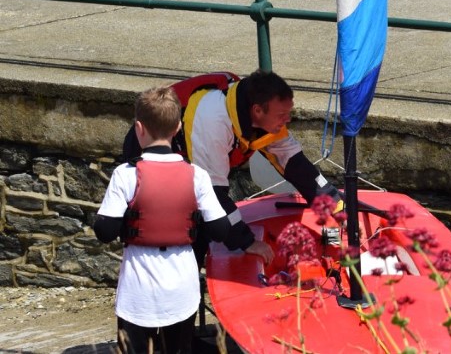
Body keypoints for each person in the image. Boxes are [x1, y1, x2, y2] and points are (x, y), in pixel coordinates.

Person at [122, 69, 339, 263]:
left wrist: (333, 203)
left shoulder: (260, 114)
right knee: (186, 240)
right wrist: (246, 242)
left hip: (195, 164)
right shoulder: (213, 121)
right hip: (153, 161)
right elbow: (211, 194)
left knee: (203, 228)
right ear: (257, 111)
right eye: (282, 115)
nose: (288, 120)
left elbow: (294, 162)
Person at [94, 86, 236, 354]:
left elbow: (104, 230)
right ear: (178, 127)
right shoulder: (197, 175)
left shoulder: (126, 174)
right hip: (182, 287)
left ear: (138, 128)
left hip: (137, 290)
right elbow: (221, 229)